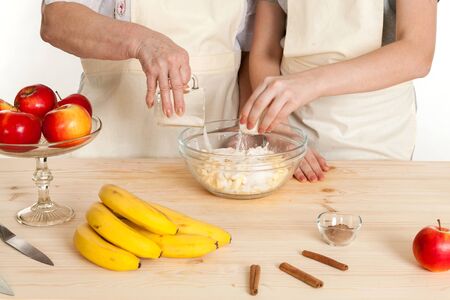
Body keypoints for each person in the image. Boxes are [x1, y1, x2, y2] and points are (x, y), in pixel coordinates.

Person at [240, 0, 438, 182]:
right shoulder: (287, 134)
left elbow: (417, 54)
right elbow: (266, 51)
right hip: (295, 125)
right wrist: (282, 132)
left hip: (376, 132)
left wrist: (311, 83)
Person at [40, 0, 255, 157]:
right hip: (111, 150)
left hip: (215, 152)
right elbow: (56, 19)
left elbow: (251, 52)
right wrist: (141, 42)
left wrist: (245, 132)